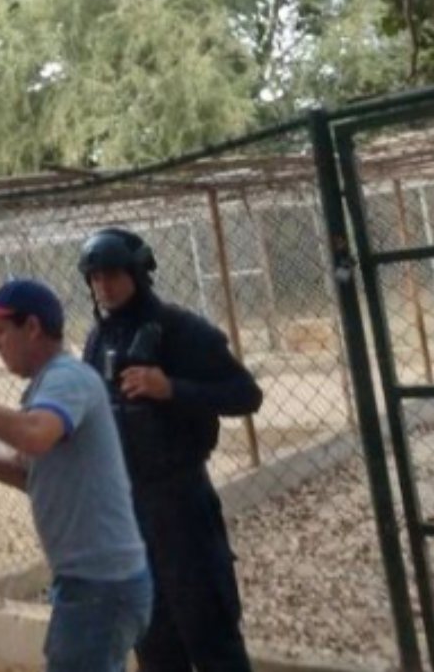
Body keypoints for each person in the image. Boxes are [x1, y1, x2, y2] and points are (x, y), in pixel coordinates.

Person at [0, 277, 151, 672]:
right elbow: (26, 475)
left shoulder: (67, 378)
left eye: (0, 332)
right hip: (88, 583)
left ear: (32, 328)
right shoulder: (48, 387)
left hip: (99, 586)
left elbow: (36, 435)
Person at [77, 228, 263, 672]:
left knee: (208, 628)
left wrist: (171, 389)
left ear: (139, 274)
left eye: (113, 274)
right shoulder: (97, 340)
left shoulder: (181, 330)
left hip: (181, 501)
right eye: (95, 276)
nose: (103, 285)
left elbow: (245, 394)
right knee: (152, 636)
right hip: (126, 506)